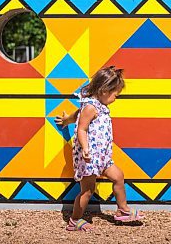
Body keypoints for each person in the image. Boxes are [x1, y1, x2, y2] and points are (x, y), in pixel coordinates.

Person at [55, 66, 144, 231]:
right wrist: (86, 148)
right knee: (87, 191)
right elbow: (82, 128)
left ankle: (123, 211)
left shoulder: (96, 105)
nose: (116, 98)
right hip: (89, 157)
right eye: (115, 94)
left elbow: (78, 115)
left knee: (118, 176)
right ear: (104, 90)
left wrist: (67, 120)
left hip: (102, 156)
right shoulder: (91, 107)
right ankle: (75, 220)